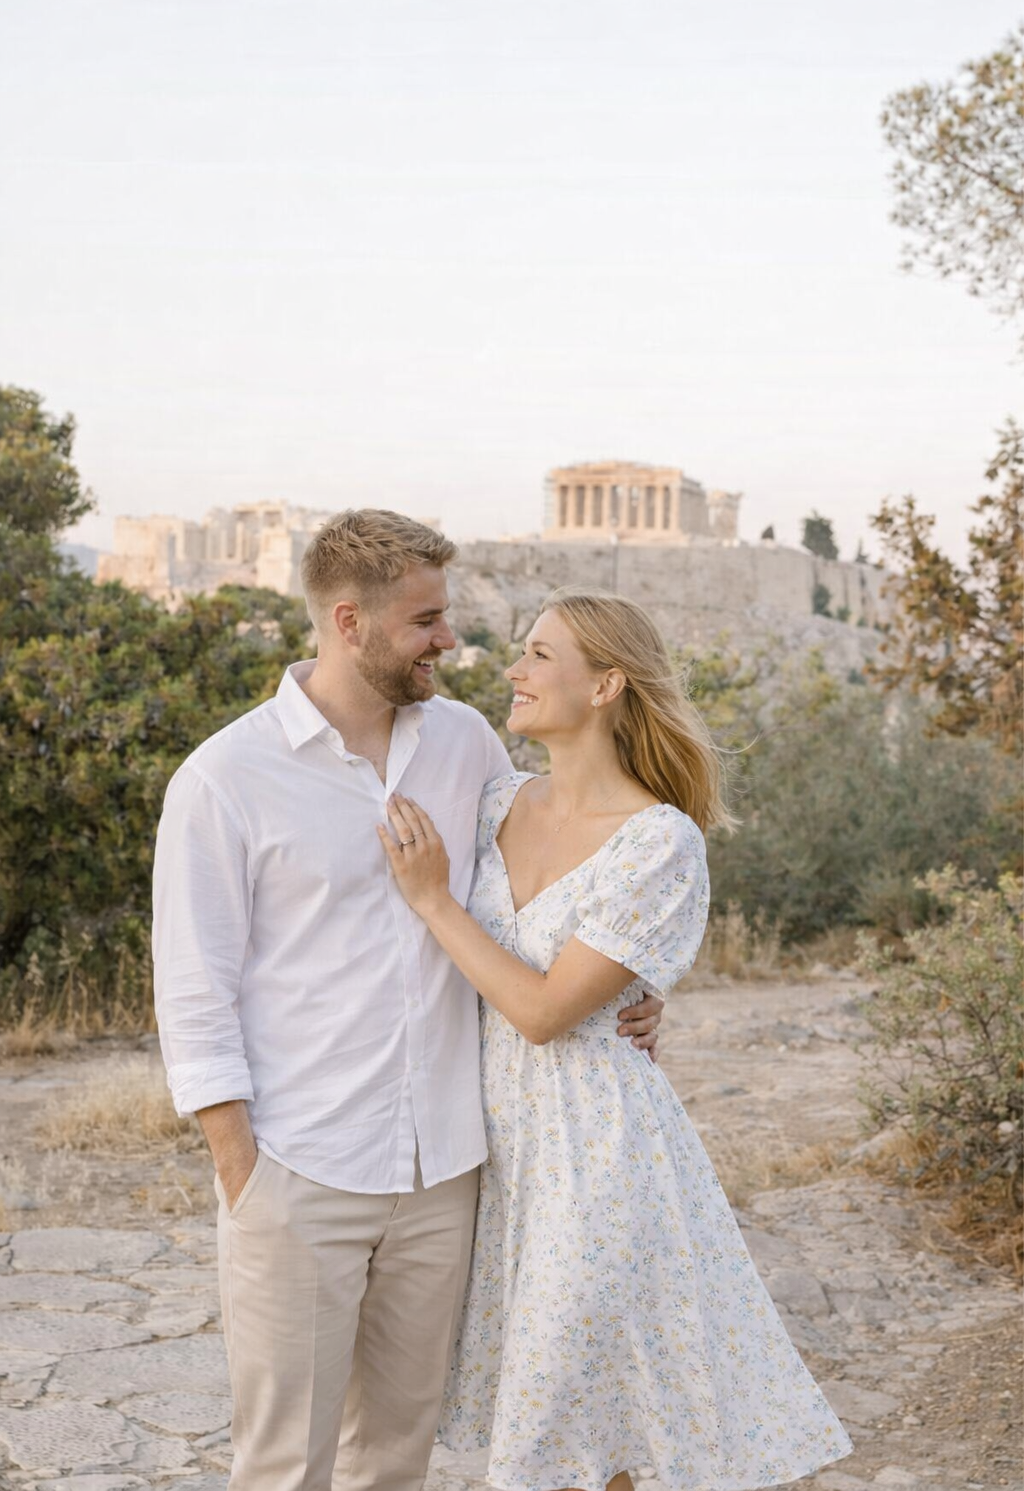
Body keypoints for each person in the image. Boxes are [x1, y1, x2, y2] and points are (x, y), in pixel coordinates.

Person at [152, 511, 664, 1491]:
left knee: (395, 1459)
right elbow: (193, 990)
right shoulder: (224, 780)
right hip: (298, 1172)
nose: (450, 639)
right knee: (281, 1468)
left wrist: (636, 981)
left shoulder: (466, 743)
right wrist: (242, 1170)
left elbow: (557, 877)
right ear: (349, 623)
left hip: (444, 1174)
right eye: (426, 620)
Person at [380, 587, 854, 1491]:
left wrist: (435, 900)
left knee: (586, 1423)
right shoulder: (496, 805)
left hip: (598, 1158)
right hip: (496, 1159)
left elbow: (548, 1013)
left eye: (539, 656)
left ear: (605, 686)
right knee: (587, 1427)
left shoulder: (659, 842)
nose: (513, 671)